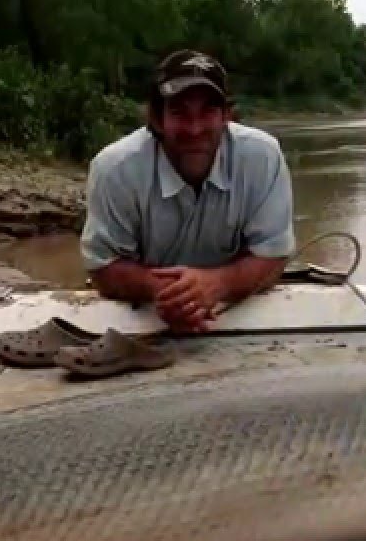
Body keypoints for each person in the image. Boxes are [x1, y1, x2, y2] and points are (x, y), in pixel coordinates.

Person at [79, 49, 296, 333]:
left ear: (227, 116)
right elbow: (102, 268)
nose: (195, 129)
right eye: (180, 112)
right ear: (157, 119)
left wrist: (218, 283)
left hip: (229, 307)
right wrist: (169, 292)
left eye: (207, 111)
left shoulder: (263, 157)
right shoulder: (114, 169)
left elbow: (274, 255)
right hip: (147, 312)